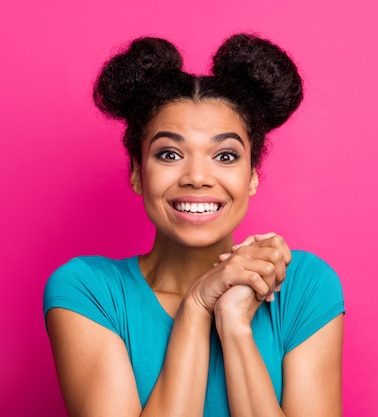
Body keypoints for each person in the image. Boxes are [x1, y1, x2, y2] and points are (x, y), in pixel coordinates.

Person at [43, 33, 345, 417]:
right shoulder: (89, 290)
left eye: (225, 155)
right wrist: (199, 305)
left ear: (252, 176)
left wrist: (234, 325)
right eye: (170, 153)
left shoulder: (304, 285)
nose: (197, 177)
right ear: (137, 172)